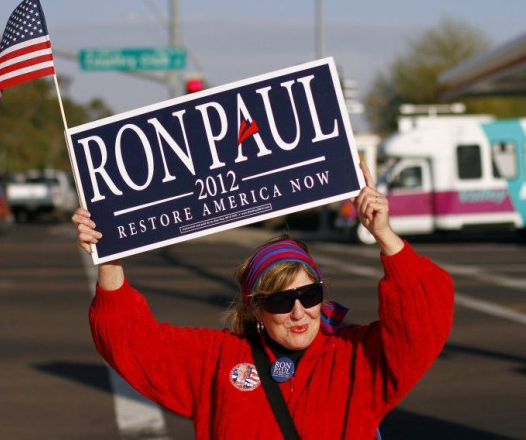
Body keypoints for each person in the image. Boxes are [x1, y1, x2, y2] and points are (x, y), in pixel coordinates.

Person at [72, 162, 454, 439]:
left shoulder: (357, 358)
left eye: (309, 294)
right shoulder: (217, 360)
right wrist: (110, 259)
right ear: (255, 307)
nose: (299, 311)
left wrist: (384, 235)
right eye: (280, 301)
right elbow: (132, 343)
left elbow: (426, 317)